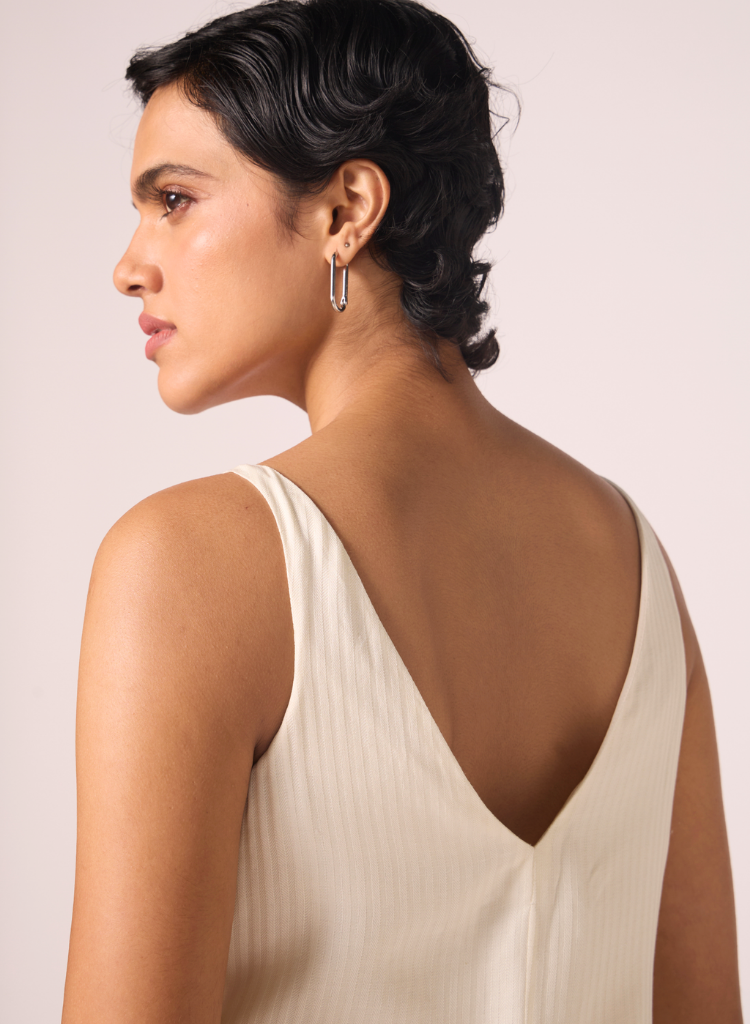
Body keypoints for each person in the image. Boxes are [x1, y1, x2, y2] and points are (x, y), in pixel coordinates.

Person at [61, 1, 742, 1021]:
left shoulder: (188, 563)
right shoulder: (633, 560)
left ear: (347, 210)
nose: (129, 265)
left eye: (174, 199)